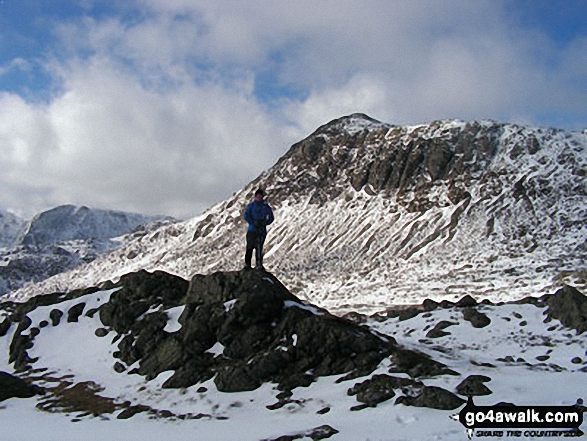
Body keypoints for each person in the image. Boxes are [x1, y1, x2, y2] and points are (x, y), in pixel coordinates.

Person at [243, 188, 274, 270]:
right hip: (252, 230)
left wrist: (264, 222)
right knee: (249, 247)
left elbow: (271, 218)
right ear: (255, 196)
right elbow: (246, 216)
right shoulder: (251, 206)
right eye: (258, 196)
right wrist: (253, 222)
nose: (260, 197)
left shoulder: (266, 207)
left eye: (261, 196)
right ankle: (247, 264)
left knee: (259, 248)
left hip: (261, 230)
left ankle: (259, 264)